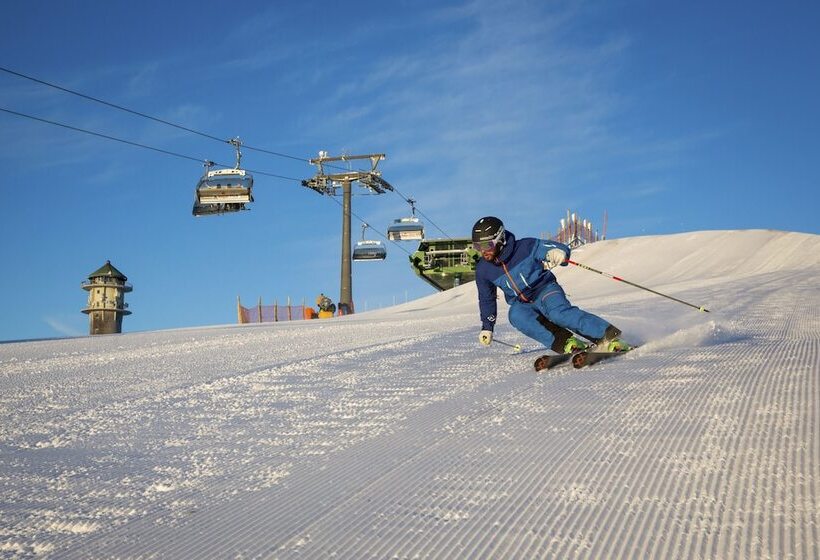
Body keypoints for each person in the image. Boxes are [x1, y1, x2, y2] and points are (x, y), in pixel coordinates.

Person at [472, 216, 628, 354]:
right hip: (522, 302)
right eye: (478, 247)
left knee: (558, 314)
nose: (483, 251)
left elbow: (556, 248)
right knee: (516, 315)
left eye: (487, 245)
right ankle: (567, 343)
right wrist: (487, 327)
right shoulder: (483, 269)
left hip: (545, 289)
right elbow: (486, 299)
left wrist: (558, 253)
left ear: (500, 239)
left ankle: (608, 336)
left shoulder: (525, 247)